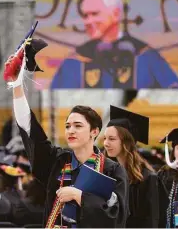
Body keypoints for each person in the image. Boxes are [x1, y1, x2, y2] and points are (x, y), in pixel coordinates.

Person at [7, 53, 129, 228]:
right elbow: (29, 130)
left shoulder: (112, 171)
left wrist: (79, 196)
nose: (71, 130)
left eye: (78, 126)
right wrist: (16, 84)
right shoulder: (57, 161)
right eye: (68, 126)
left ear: (94, 132)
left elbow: (117, 217)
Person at [50, 0, 178, 89]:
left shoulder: (145, 57)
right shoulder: (75, 61)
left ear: (115, 14)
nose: (88, 21)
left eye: (95, 14)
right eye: (85, 15)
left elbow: (176, 98)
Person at [103, 105, 159, 227]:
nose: (106, 143)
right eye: (105, 138)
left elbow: (151, 221)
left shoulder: (147, 178)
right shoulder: (106, 173)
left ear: (126, 142)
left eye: (112, 139)